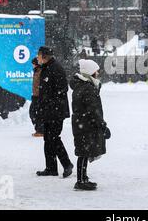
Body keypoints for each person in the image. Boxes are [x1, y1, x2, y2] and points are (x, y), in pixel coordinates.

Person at [35, 46, 73, 178]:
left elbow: (62, 89)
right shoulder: (46, 68)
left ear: (44, 56)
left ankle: (67, 164)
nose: (37, 58)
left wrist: (50, 103)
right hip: (48, 111)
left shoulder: (56, 68)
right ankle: (51, 168)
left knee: (53, 138)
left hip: (56, 112)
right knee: (48, 139)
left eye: (38, 55)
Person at [70, 59, 108, 191]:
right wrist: (102, 125)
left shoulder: (83, 86)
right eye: (96, 70)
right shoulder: (87, 88)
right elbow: (93, 110)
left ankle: (83, 178)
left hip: (82, 124)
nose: (98, 73)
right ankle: (80, 180)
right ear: (91, 72)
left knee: (84, 152)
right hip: (85, 125)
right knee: (83, 153)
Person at [29, 57, 44, 137]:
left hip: (39, 96)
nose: (32, 65)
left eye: (33, 64)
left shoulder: (41, 71)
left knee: (37, 114)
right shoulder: (36, 71)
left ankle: (41, 130)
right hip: (35, 96)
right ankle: (39, 129)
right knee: (32, 112)